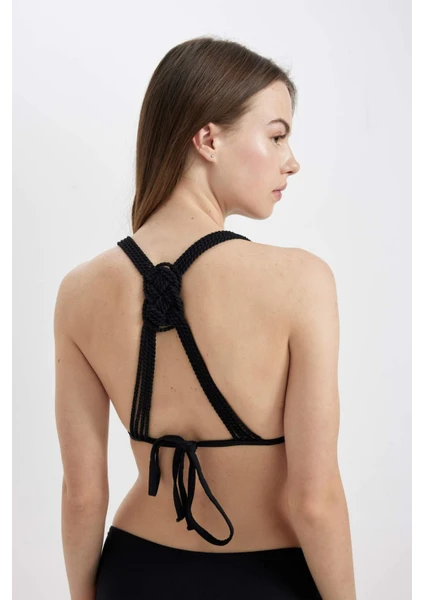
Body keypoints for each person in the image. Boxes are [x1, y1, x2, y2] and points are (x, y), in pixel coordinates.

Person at [54, 35, 357, 600]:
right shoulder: (301, 281)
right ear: (209, 139)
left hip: (133, 571)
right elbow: (314, 500)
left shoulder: (79, 291)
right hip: (265, 578)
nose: (292, 161)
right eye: (277, 136)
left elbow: (82, 494)